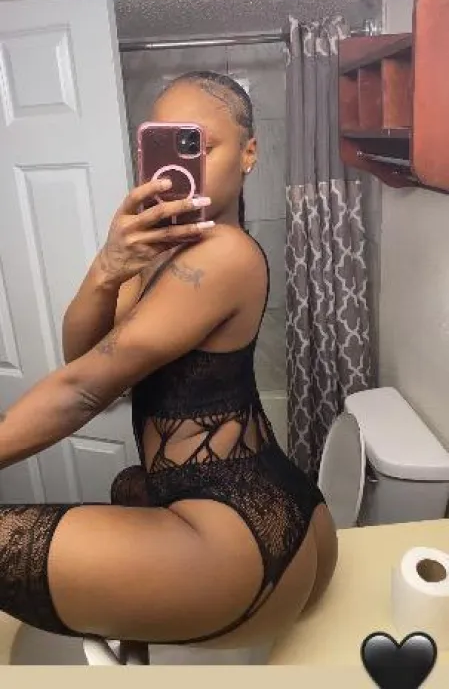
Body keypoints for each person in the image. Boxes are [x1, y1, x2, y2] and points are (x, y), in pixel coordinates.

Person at [0, 72, 337, 653]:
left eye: (201, 145)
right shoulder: (160, 255)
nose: (179, 168)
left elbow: (84, 389)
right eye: (164, 145)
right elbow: (84, 356)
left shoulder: (224, 253)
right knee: (128, 486)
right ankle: (140, 642)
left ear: (249, 153)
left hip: (236, 541)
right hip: (278, 504)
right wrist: (108, 268)